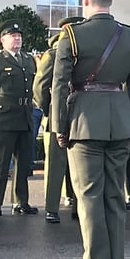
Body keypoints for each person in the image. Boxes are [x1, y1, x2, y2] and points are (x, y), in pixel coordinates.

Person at [50, 0, 130, 259]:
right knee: (115, 198)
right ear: (110, 1)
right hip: (121, 124)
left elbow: (58, 85)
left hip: (84, 125)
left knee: (90, 199)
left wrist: (59, 127)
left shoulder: (72, 36)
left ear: (86, 0)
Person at [34, 16, 84, 223]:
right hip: (58, 113)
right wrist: (49, 110)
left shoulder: (83, 54)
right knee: (55, 164)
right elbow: (40, 87)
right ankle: (51, 208)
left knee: (79, 163)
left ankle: (76, 205)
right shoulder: (53, 55)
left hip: (79, 114)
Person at [0, 20, 38, 216]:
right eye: (12, 36)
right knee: (0, 163)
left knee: (23, 162)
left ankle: (21, 201)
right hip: (4, 116)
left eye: (19, 36)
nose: (17, 39)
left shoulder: (27, 59)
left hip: (24, 114)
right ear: (2, 40)